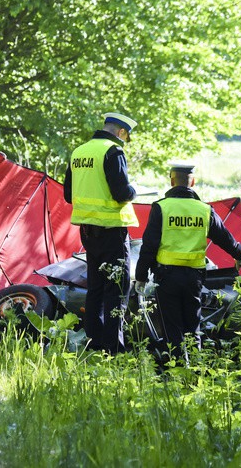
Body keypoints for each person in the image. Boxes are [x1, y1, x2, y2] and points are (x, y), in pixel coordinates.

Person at [134, 164, 241, 362]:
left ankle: (178, 369)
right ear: (193, 182)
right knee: (193, 327)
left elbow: (149, 246)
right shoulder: (205, 210)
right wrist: (240, 255)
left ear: (172, 181)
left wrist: (140, 276)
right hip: (194, 279)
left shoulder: (161, 207)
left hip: (167, 277)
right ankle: (196, 371)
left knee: (172, 327)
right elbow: (225, 238)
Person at [63, 113, 139, 354]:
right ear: (121, 133)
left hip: (87, 231)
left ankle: (92, 343)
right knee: (117, 288)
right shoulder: (113, 152)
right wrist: (134, 191)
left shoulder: (79, 152)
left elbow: (68, 195)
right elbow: (121, 193)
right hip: (112, 230)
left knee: (95, 287)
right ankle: (113, 348)